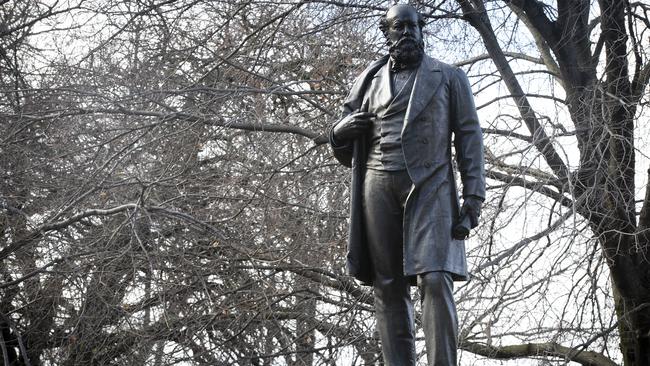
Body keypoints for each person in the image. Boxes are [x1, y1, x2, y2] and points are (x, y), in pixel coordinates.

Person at [328, 4, 485, 365]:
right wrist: (337, 132)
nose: (409, 33)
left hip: (430, 187)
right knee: (388, 286)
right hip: (377, 185)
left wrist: (473, 197)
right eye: (400, 27)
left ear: (421, 29)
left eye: (414, 26)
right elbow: (346, 148)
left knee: (434, 278)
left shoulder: (448, 77)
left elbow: (469, 138)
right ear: (386, 32)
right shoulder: (367, 83)